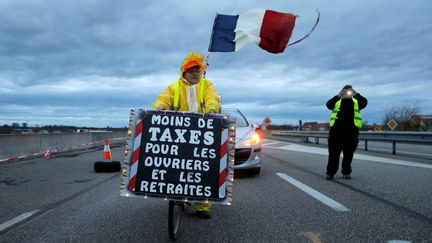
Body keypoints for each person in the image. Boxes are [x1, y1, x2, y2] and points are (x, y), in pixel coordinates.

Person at [152, 52, 220, 219]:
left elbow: (212, 99)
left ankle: (202, 207)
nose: (195, 73)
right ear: (184, 72)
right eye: (191, 71)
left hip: (202, 134)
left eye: (198, 70)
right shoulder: (175, 87)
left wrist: (212, 110)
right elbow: (163, 99)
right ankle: (176, 194)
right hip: (179, 134)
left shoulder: (207, 85)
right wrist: (160, 108)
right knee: (175, 165)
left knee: (200, 169)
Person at [325, 84, 367, 180]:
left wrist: (356, 94)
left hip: (351, 134)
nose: (347, 93)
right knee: (333, 155)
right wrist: (338, 95)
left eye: (349, 91)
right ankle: (330, 173)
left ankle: (346, 172)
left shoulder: (356, 102)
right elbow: (328, 105)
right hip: (336, 134)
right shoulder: (337, 101)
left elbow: (365, 102)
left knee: (348, 155)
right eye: (345, 91)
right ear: (342, 91)